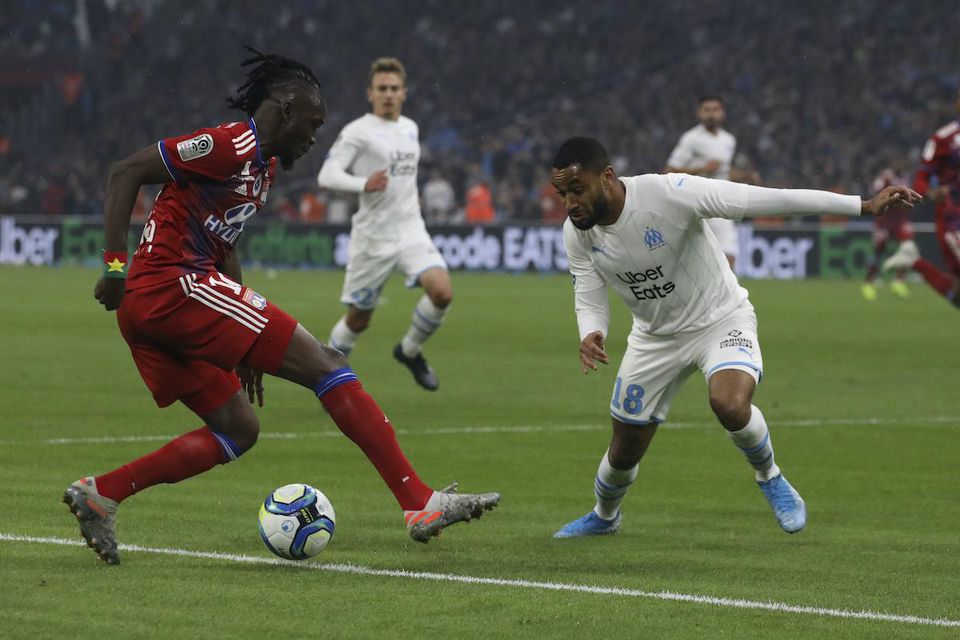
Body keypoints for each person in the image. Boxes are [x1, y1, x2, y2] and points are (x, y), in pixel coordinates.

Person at [63, 49, 499, 565]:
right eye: (311, 125)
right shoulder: (228, 144)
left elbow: (225, 240)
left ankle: (102, 494)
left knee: (238, 429)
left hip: (166, 303)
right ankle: (418, 502)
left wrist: (243, 342)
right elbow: (125, 172)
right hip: (171, 287)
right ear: (284, 109)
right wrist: (115, 266)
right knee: (328, 365)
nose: (313, 139)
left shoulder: (262, 165)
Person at [550, 137, 919, 538]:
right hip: (654, 338)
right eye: (562, 194)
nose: (569, 204)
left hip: (720, 320)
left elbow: (765, 199)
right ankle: (605, 516)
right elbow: (587, 293)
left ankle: (771, 477)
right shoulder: (578, 234)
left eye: (576, 190)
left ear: (606, 177)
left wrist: (860, 205)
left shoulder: (668, 193)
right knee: (623, 449)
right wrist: (592, 333)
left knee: (727, 401)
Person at [317, 57, 450, 391]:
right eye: (382, 89)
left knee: (442, 292)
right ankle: (325, 376)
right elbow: (327, 175)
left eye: (394, 88)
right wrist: (364, 184)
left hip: (410, 230)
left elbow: (402, 174)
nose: (388, 94)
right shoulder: (357, 132)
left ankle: (409, 351)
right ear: (370, 93)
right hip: (373, 238)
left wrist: (409, 195)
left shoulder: (410, 128)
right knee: (359, 319)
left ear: (404, 93)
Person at [882, 97, 960, 308]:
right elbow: (921, 179)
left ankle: (914, 261)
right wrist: (933, 193)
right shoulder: (943, 138)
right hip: (953, 217)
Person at [665, 95, 759, 270]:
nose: (711, 115)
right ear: (699, 113)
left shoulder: (728, 140)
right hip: (696, 204)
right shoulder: (691, 139)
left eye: (715, 110)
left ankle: (727, 296)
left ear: (722, 113)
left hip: (722, 203)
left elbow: (723, 171)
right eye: (706, 110)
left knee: (729, 255)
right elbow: (669, 170)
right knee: (694, 261)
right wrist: (702, 168)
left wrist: (746, 176)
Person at [862, 165, 913, 300]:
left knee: (907, 248)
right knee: (878, 251)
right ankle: (868, 283)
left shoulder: (905, 176)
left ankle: (899, 281)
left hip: (899, 220)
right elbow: (877, 191)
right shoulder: (886, 177)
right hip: (884, 220)